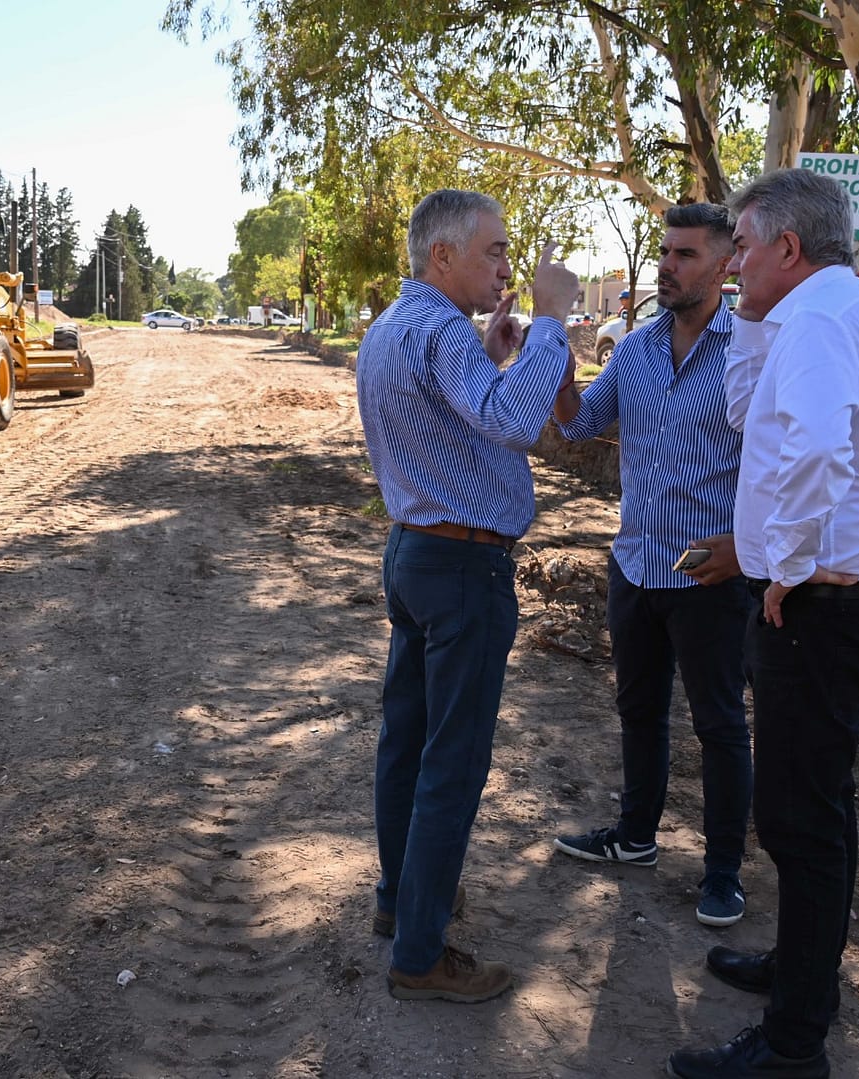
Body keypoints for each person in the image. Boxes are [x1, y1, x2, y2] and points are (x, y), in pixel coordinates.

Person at [667, 168, 859, 1079]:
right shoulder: (829, 314)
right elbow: (748, 415)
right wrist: (747, 317)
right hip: (849, 602)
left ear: (787, 246)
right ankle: (799, 972)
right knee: (821, 813)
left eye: (741, 243)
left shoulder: (817, 320)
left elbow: (815, 449)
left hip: (827, 607)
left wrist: (786, 565)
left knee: (800, 823)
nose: (731, 259)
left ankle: (791, 1043)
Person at [357, 188, 580, 1003]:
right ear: (441, 256)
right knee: (453, 761)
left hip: (417, 553)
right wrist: (552, 322)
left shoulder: (394, 325)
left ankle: (398, 903)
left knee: (407, 743)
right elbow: (518, 423)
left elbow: (454, 417)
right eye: (493, 251)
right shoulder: (441, 328)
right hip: (463, 569)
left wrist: (490, 358)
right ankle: (420, 954)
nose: (508, 267)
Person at [551, 203, 753, 928]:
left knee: (720, 724)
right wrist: (554, 359)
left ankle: (724, 872)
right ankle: (635, 838)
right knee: (638, 711)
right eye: (665, 252)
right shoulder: (634, 350)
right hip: (635, 565)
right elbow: (577, 425)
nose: (668, 266)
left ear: (726, 265)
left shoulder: (751, 351)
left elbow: (779, 465)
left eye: (686, 254)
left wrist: (748, 548)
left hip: (711, 576)